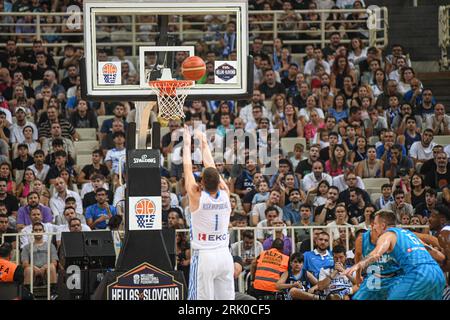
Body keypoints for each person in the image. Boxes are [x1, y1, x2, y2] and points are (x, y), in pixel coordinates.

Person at [345, 210, 446, 300]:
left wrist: (359, 265)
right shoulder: (409, 234)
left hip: (411, 274)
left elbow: (375, 254)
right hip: (437, 274)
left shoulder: (387, 235)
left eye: (375, 223)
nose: (373, 226)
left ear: (383, 225)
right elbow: (439, 256)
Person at [182, 127, 234, 300]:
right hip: (225, 256)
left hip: (205, 256)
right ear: (219, 182)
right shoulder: (226, 194)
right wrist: (203, 142)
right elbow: (211, 167)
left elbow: (187, 170)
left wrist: (187, 143)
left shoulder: (197, 197)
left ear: (202, 182)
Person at [352, 212, 401, 300]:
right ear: (373, 225)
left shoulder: (394, 237)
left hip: (394, 277)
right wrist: (358, 275)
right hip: (374, 278)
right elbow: (358, 256)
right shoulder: (361, 240)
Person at [21, 222, 58, 298]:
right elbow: (24, 263)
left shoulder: (50, 246)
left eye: (40, 230)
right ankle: (27, 295)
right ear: (32, 232)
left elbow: (54, 262)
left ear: (43, 231)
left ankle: (53, 294)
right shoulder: (26, 247)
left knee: (51, 267)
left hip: (46, 271)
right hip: (33, 272)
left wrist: (44, 267)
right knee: (28, 269)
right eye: (36, 230)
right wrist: (34, 268)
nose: (38, 232)